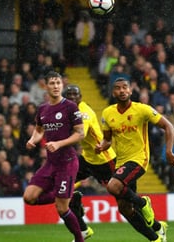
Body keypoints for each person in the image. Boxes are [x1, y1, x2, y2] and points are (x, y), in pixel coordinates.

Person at [95, 77, 174, 242]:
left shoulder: (142, 109)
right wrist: (101, 146)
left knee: (113, 186)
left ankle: (143, 203)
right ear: (113, 92)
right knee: (124, 208)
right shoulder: (107, 113)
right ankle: (156, 234)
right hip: (121, 162)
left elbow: (168, 126)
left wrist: (168, 151)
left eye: (125, 87)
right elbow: (108, 139)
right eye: (118, 88)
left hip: (139, 158)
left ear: (130, 90)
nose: (122, 91)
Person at [22, 71, 85, 242]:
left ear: (61, 85)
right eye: (52, 83)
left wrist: (59, 143)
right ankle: (66, 195)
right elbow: (39, 129)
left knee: (62, 209)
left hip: (67, 162)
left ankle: (80, 239)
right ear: (46, 86)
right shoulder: (43, 108)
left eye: (58, 83)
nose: (56, 86)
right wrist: (33, 139)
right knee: (29, 198)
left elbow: (80, 134)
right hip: (51, 163)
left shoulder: (71, 107)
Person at [64, 84, 118, 241]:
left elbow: (81, 134)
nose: (72, 98)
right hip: (87, 158)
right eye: (69, 95)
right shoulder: (69, 112)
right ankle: (83, 230)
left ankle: (152, 221)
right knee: (65, 185)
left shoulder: (84, 112)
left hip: (104, 159)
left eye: (75, 94)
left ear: (81, 97)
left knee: (123, 196)